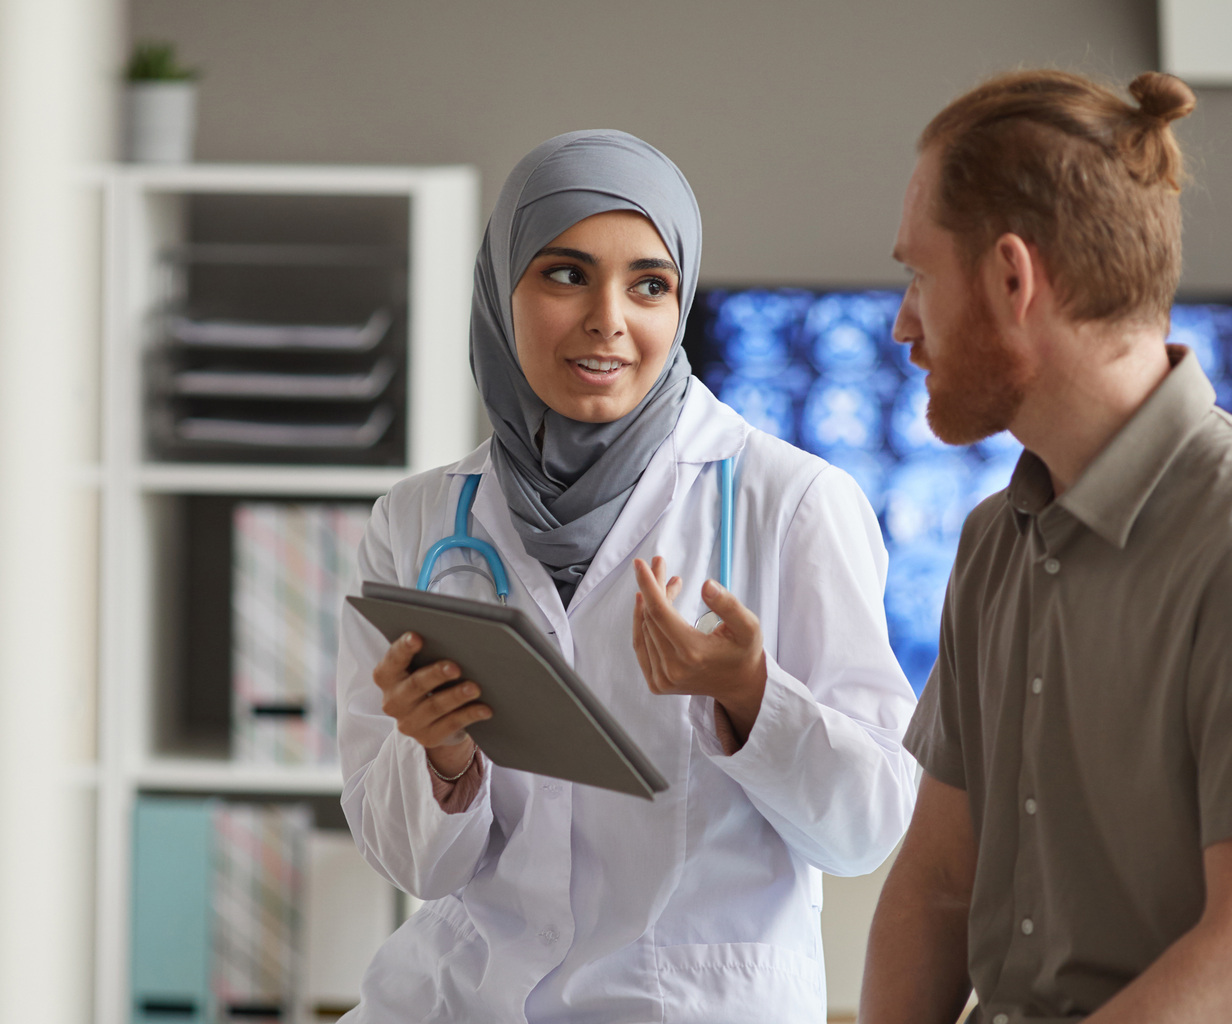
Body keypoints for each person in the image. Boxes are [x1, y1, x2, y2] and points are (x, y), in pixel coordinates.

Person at [860, 70, 1232, 1024]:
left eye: (919, 276)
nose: (903, 324)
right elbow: (939, 883)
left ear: (1010, 279)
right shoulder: (994, 543)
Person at [336, 130, 917, 1024]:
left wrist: (754, 698)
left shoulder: (793, 502)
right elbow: (414, 866)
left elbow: (865, 831)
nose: (609, 318)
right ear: (502, 290)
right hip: (454, 1000)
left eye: (650, 284)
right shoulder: (416, 521)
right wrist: (444, 757)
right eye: (565, 274)